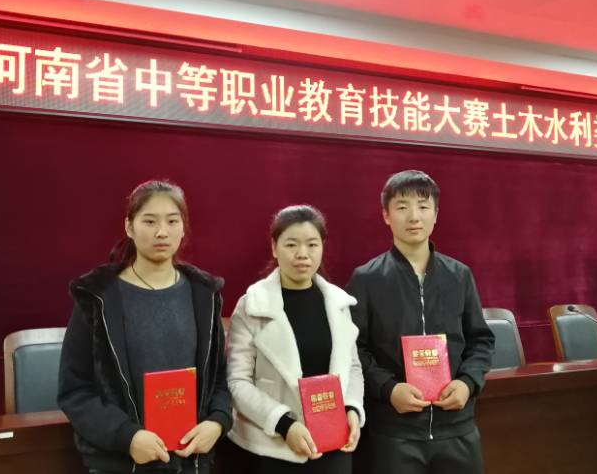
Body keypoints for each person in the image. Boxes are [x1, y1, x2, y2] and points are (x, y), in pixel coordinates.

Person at [57, 180, 232, 474]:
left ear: (183, 228)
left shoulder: (204, 295)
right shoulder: (98, 297)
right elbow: (75, 390)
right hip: (121, 463)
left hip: (190, 461)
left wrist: (217, 421)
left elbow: (219, 380)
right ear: (129, 227)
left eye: (172, 221)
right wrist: (127, 436)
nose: (162, 232)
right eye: (149, 221)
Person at [346, 171, 494, 474]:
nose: (414, 216)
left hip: (456, 427)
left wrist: (467, 384)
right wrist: (388, 389)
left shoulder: (460, 275)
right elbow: (353, 349)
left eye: (423, 206)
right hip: (394, 432)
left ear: (436, 215)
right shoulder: (367, 279)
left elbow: (481, 340)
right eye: (402, 207)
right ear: (386, 215)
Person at [227, 205, 364, 474]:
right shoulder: (253, 305)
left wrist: (352, 409)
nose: (302, 254)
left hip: (334, 443)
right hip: (273, 446)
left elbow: (353, 367)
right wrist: (284, 424)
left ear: (322, 247)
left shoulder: (338, 303)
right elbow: (237, 382)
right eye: (291, 245)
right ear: (274, 247)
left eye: (312, 244)